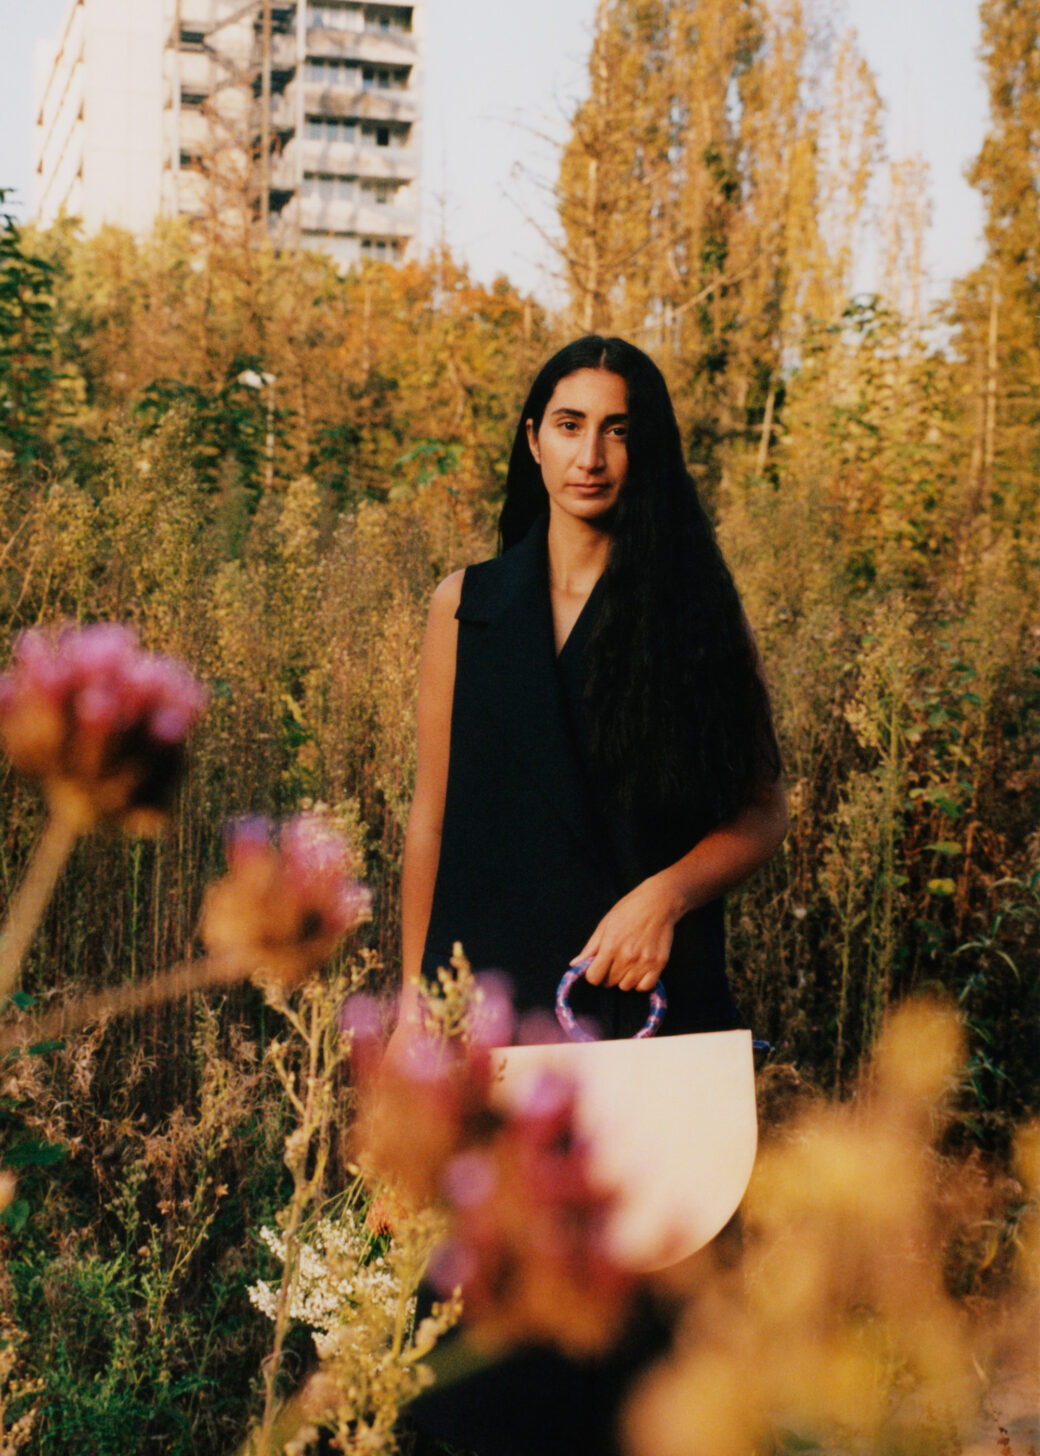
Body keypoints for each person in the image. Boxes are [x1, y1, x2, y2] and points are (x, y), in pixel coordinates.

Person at [394, 335, 787, 1047]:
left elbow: (762, 814)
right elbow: (431, 821)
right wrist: (413, 1006)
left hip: (641, 1002)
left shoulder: (698, 615)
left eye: (619, 431)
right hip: (488, 1001)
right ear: (534, 440)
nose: (591, 458)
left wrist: (665, 898)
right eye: (569, 425)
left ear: (651, 450)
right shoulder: (463, 606)